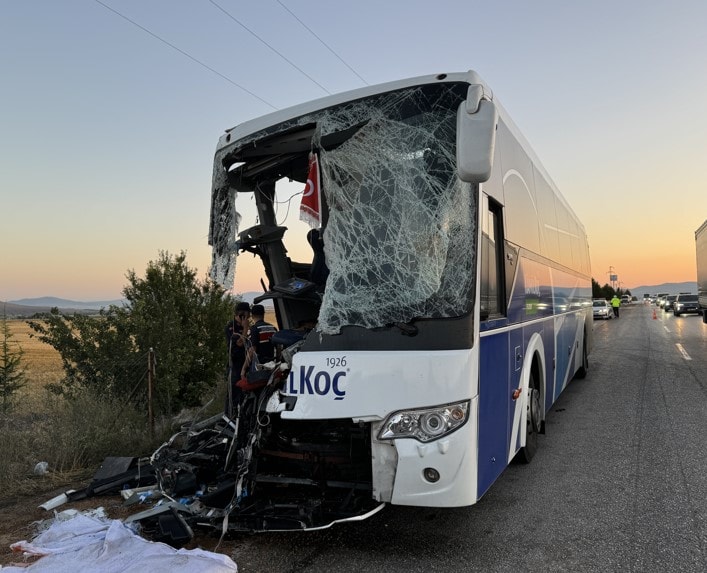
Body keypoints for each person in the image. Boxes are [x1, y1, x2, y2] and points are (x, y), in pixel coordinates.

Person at [225, 301, 251, 414]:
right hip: (235, 364)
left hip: (245, 362)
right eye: (246, 316)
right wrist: (245, 329)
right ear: (241, 315)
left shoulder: (244, 326)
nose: (248, 318)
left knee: (243, 392)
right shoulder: (231, 327)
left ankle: (240, 415)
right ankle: (229, 415)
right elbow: (239, 343)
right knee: (233, 391)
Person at [243, 304, 278, 373]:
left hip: (259, 367)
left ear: (252, 315)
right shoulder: (273, 328)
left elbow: (252, 350)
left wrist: (244, 368)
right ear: (263, 314)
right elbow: (278, 348)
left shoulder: (254, 329)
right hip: (272, 366)